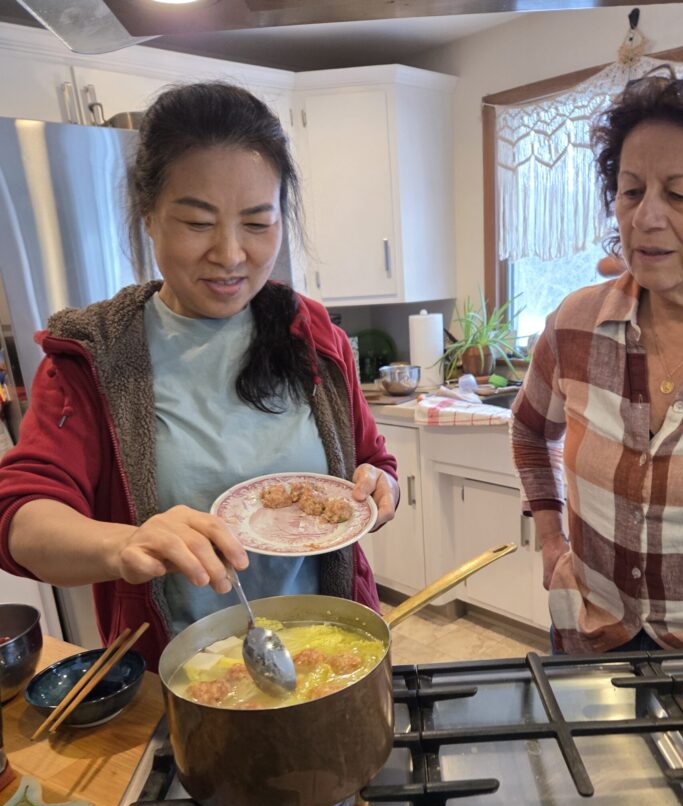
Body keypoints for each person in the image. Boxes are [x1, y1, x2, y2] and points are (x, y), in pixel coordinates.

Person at [0, 82, 398, 671]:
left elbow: (374, 461)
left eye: (258, 224)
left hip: (331, 654)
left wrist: (380, 489)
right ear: (150, 217)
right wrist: (123, 544)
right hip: (179, 674)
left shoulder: (311, 334)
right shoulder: (97, 355)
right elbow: (21, 515)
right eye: (197, 222)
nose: (231, 254)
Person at [511, 65, 683, 654]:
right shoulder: (576, 323)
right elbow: (529, 429)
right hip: (589, 635)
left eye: (677, 194)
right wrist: (551, 538)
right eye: (631, 191)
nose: (644, 217)